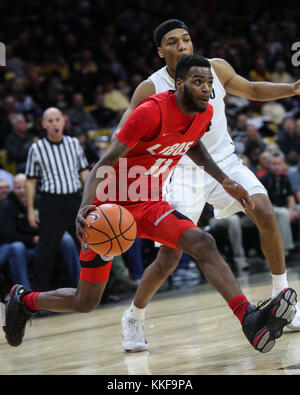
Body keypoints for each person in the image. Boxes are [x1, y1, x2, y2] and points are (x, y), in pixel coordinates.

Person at [3, 55, 297, 353]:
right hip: (109, 210)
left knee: (202, 241)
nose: (206, 89)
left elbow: (193, 145)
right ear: (179, 84)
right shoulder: (150, 112)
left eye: (209, 83)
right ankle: (25, 300)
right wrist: (85, 206)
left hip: (149, 204)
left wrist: (223, 179)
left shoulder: (204, 113)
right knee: (85, 301)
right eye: (198, 82)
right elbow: (104, 163)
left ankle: (248, 317)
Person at [117, 19, 300, 351]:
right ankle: (133, 317)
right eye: (173, 42)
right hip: (179, 172)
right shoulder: (150, 87)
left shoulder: (215, 68)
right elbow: (124, 135)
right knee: (169, 259)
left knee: (265, 211)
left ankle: (281, 296)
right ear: (161, 52)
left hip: (225, 162)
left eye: (186, 39)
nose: (183, 46)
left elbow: (253, 89)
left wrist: (291, 89)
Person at [25, 107, 90, 291]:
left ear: (64, 121)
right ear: (44, 124)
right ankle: (38, 297)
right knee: (46, 251)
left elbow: (84, 173)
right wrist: (31, 209)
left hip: (74, 201)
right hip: (51, 203)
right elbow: (30, 181)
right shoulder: (36, 149)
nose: (54, 124)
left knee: (89, 245)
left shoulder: (73, 144)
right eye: (50, 121)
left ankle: (99, 291)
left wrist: (92, 199)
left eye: (57, 119)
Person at [0, 174, 80, 289]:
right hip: (15, 248)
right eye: (18, 188)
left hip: (40, 245)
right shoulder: (6, 206)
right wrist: (33, 239)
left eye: (24, 187)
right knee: (17, 247)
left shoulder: (39, 201)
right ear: (13, 189)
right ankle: (25, 296)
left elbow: (52, 226)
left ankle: (79, 287)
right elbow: (9, 235)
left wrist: (45, 237)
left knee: (65, 238)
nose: (22, 191)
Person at [260, 152, 299, 255]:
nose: (277, 167)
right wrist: (287, 211)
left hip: (285, 208)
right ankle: (286, 250)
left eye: (279, 163)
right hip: (269, 209)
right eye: (274, 164)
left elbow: (290, 196)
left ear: (283, 164)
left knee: (296, 209)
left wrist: (291, 209)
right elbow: (264, 202)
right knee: (283, 213)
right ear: (268, 165)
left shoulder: (284, 178)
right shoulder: (264, 179)